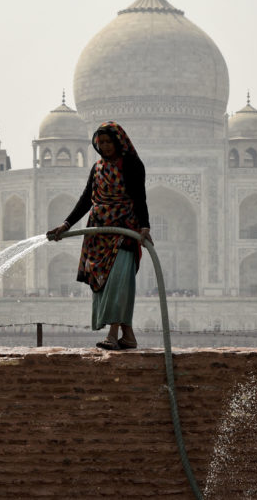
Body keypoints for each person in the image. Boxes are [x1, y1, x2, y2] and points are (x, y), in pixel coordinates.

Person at [47, 121, 152, 350]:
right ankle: (129, 336)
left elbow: (139, 197)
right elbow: (86, 200)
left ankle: (112, 335)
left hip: (124, 231)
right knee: (105, 284)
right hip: (99, 233)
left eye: (108, 142)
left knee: (118, 283)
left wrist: (144, 227)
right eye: (100, 142)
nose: (104, 146)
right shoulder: (97, 168)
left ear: (118, 141)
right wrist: (66, 225)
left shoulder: (132, 164)